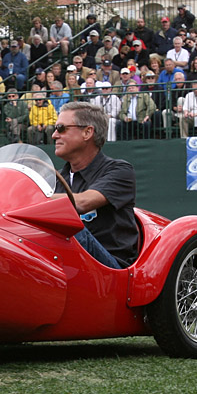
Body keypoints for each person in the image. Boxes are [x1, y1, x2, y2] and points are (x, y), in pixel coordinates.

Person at [52, 101, 139, 269]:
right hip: (65, 265)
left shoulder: (120, 170)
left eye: (61, 128)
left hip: (110, 267)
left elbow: (82, 203)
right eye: (55, 129)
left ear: (87, 132)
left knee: (71, 228)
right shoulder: (54, 178)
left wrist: (31, 197)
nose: (55, 135)